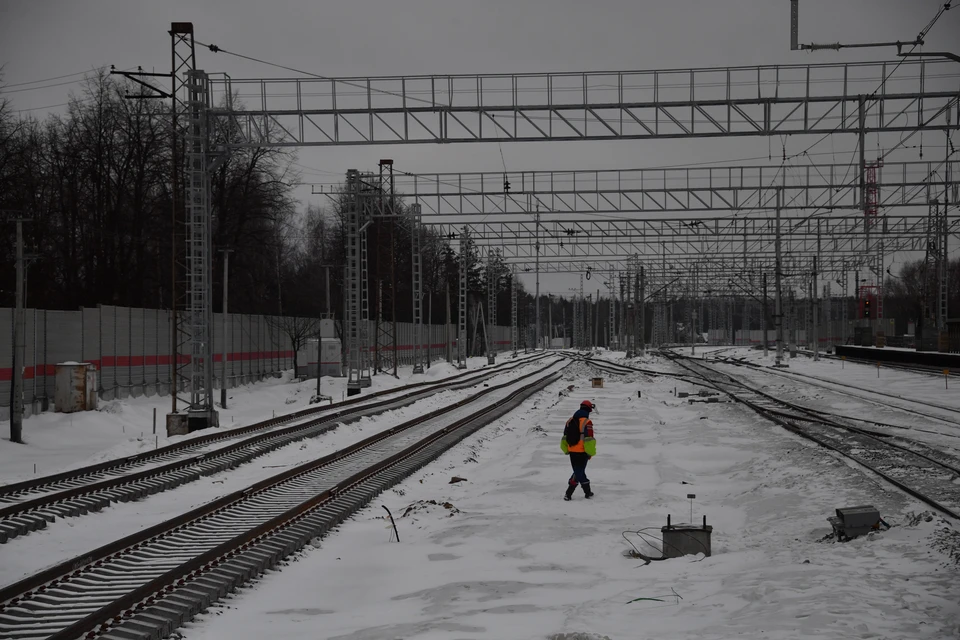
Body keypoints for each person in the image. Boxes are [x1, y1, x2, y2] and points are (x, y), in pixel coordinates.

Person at [561, 400, 596, 500]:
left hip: (572, 451)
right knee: (579, 472)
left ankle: (586, 493)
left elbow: (565, 437)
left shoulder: (570, 421)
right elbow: (589, 439)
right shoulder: (587, 422)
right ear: (588, 410)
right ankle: (569, 493)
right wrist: (590, 453)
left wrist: (566, 449)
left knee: (578, 471)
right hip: (582, 452)